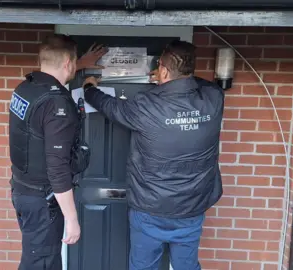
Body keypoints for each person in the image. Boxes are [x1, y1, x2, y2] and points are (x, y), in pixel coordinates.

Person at [82, 40, 224, 270]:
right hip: (192, 207)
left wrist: (89, 87)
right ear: (189, 71)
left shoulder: (146, 105)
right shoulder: (213, 99)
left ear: (164, 69)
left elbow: (109, 106)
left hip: (150, 209)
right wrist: (179, 79)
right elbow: (201, 84)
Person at [9, 34, 107, 270]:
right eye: (73, 62)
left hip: (23, 191)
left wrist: (79, 62)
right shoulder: (57, 104)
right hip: (43, 201)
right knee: (41, 263)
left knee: (38, 259)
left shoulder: (26, 87)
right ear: (67, 64)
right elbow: (57, 167)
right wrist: (72, 220)